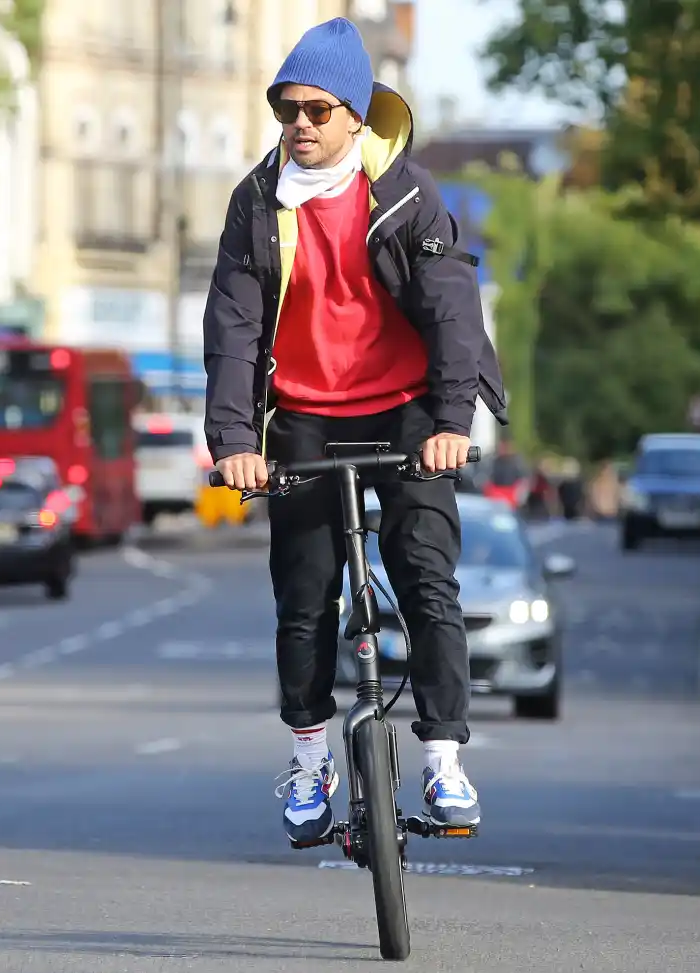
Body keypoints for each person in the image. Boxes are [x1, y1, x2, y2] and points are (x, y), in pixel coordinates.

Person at [203, 17, 507, 845]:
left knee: (427, 580)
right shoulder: (256, 202)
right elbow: (232, 327)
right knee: (303, 598)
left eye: (316, 110)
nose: (299, 125)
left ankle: (443, 759)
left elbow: (452, 311)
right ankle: (309, 760)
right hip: (304, 415)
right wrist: (235, 443)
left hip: (406, 409)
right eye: (286, 110)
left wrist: (452, 422)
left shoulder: (407, 194)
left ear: (355, 115)